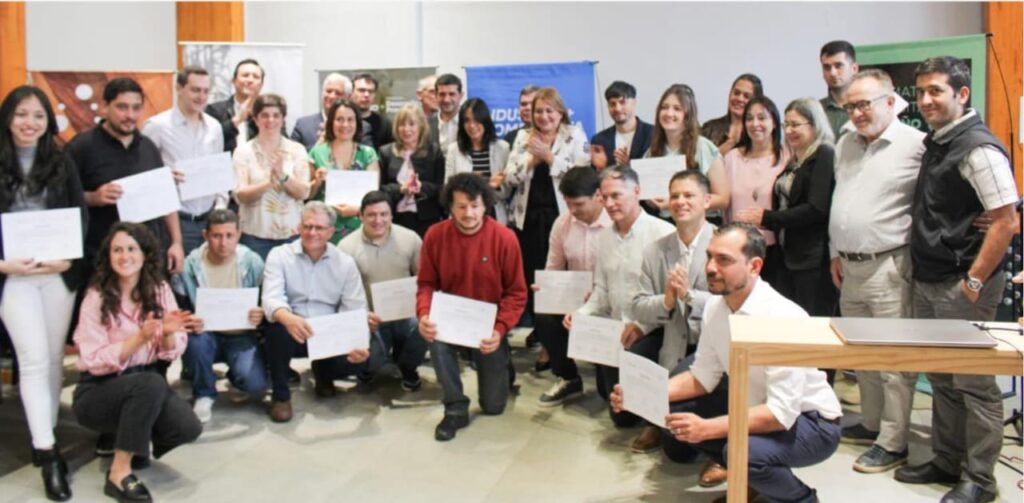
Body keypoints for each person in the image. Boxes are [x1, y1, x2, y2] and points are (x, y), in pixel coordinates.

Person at [612, 223, 842, 503]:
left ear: (754, 266)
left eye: (724, 260)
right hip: (755, 407)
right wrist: (642, 393)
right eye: (710, 256)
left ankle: (800, 499)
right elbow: (702, 376)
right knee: (671, 408)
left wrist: (707, 428)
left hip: (811, 422)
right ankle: (750, 480)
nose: (710, 267)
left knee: (744, 452)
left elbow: (781, 413)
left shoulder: (783, 317)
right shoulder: (715, 306)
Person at [895, 56, 1020, 503]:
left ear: (962, 94)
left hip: (962, 284)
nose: (925, 100)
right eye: (921, 91)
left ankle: (980, 480)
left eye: (936, 91)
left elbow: (1007, 220)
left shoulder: (977, 148)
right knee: (942, 379)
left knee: (974, 383)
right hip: (930, 278)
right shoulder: (939, 141)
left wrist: (974, 281)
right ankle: (947, 461)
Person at [828, 69, 924, 474]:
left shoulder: (915, 145)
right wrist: (835, 251)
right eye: (849, 106)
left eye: (863, 104)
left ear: (889, 101)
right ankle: (871, 424)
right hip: (848, 266)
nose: (856, 113)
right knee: (861, 354)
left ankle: (893, 442)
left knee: (893, 360)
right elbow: (842, 198)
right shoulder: (845, 144)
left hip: (889, 266)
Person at [72, 223, 202, 503]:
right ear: (108, 256)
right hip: (99, 389)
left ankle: (132, 437)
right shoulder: (96, 296)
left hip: (145, 383)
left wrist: (166, 334)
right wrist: (139, 338)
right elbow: (93, 360)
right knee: (149, 384)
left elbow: (171, 351)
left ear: (145, 254)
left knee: (188, 428)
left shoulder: (160, 289)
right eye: (117, 250)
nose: (125, 256)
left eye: (132, 249)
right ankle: (118, 473)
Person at [0, 85, 88, 502]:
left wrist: (67, 259)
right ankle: (48, 455)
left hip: (56, 274)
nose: (29, 123)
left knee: (53, 358)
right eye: (21, 114)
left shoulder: (60, 159)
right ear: (7, 118)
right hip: (12, 277)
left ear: (48, 121)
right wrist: (5, 265)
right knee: (33, 358)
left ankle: (46, 434)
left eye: (38, 115)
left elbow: (78, 214)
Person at [569, 166, 674, 452]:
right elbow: (601, 290)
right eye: (604, 197)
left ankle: (654, 422)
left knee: (636, 365)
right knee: (622, 418)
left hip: (655, 328)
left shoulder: (663, 233)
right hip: (616, 328)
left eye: (617, 195)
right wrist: (581, 315)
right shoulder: (605, 237)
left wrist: (641, 326)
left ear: (637, 192)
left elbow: (671, 298)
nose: (610, 203)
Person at [416, 173, 527, 441]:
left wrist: (500, 330)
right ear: (450, 207)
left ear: (485, 204)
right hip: (450, 319)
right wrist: (424, 314)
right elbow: (426, 284)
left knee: (493, 407)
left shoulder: (505, 238)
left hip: (488, 324)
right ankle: (455, 406)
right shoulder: (435, 235)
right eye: (461, 206)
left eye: (475, 206)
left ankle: (502, 361)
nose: (469, 213)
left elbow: (516, 293)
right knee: (435, 339)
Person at [630, 170, 722, 485]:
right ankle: (658, 422)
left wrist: (689, 296)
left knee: (686, 442)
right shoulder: (656, 250)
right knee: (677, 452)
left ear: (706, 201)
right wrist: (668, 300)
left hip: (715, 347)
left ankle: (724, 452)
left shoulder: (725, 244)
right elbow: (638, 306)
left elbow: (737, 304)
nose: (680, 202)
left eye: (689, 195)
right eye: (675, 196)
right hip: (674, 345)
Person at [261, 202, 378, 423]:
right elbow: (271, 298)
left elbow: (355, 308)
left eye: (319, 228)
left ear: (331, 232)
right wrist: (287, 317)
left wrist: (357, 341)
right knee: (276, 329)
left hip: (328, 332)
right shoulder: (279, 255)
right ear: (299, 227)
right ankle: (281, 396)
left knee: (360, 360)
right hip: (293, 327)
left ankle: (324, 373)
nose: (312, 233)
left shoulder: (345, 263)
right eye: (307, 226)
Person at [69, 77, 185, 275]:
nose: (130, 115)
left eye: (136, 108)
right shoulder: (82, 147)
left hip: (146, 257)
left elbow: (166, 201)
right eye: (122, 107)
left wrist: (176, 243)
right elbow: (61, 198)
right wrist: (93, 198)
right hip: (100, 258)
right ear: (105, 107)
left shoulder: (148, 147)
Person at [734, 97, 837, 318]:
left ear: (814, 124)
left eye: (795, 125)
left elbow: (816, 208)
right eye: (786, 124)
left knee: (811, 321)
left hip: (812, 259)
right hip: (788, 256)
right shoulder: (796, 159)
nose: (789, 131)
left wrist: (767, 218)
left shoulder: (824, 154)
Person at [173, 209, 268, 424]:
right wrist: (189, 320)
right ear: (205, 235)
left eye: (229, 236)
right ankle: (204, 392)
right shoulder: (190, 266)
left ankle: (236, 375)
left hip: (241, 335)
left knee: (255, 384)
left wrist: (261, 313)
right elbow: (180, 309)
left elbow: (268, 300)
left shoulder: (252, 262)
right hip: (205, 334)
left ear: (239, 235)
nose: (223, 243)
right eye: (216, 236)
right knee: (195, 343)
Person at [506, 87, 591, 322]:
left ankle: (566, 323)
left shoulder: (575, 134)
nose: (544, 116)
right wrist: (532, 161)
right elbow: (509, 177)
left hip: (563, 216)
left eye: (549, 111)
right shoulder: (523, 137)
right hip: (529, 220)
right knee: (533, 273)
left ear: (561, 112)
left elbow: (582, 176)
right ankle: (540, 327)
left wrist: (550, 158)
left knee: (563, 272)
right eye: (539, 111)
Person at [533, 167, 611, 406]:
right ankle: (568, 377)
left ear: (598, 196)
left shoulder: (615, 222)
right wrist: (547, 287)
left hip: (609, 302)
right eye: (568, 204)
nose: (573, 211)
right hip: (575, 298)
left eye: (579, 204)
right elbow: (553, 266)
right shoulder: (563, 223)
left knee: (607, 393)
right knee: (544, 314)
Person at [338, 191, 427, 390]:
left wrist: (421, 310)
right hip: (371, 318)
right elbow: (343, 293)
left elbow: (423, 278)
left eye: (384, 214)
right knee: (372, 360)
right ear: (360, 216)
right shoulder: (346, 247)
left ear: (391, 215)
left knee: (425, 325)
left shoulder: (410, 238)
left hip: (406, 313)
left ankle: (408, 366)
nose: (378, 220)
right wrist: (362, 316)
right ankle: (368, 366)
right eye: (371, 215)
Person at [142, 65, 226, 256]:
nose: (201, 97)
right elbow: (142, 174)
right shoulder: (157, 126)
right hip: (174, 222)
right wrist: (165, 176)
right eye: (195, 90)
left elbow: (219, 173)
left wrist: (220, 210)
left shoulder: (214, 127)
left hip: (209, 220)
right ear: (179, 88)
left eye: (205, 91)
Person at [232, 94, 311, 260]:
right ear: (255, 119)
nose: (271, 120)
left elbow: (304, 192)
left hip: (291, 235)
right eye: (265, 115)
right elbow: (240, 196)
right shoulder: (243, 152)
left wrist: (282, 176)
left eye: (276, 115)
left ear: (283, 119)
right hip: (254, 236)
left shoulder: (297, 150)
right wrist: (268, 183)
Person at [723, 96, 790, 288]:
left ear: (774, 123)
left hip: (777, 251)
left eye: (762, 118)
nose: (755, 124)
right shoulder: (732, 158)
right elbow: (724, 207)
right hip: (738, 249)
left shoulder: (787, 156)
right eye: (749, 118)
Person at [644, 84, 729, 217]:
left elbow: (723, 199)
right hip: (666, 223)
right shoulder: (652, 151)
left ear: (687, 115)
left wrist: (675, 202)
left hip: (700, 222)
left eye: (677, 109)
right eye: (664, 107)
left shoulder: (704, 147)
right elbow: (649, 196)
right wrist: (651, 199)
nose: (669, 113)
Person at [308, 99, 381, 243]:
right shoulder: (317, 153)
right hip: (323, 228)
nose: (345, 125)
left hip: (359, 228)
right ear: (331, 122)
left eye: (350, 120)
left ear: (357, 123)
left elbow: (374, 197)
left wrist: (356, 210)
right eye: (339, 119)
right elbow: (307, 195)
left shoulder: (368, 154)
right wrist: (317, 181)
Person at [379, 104, 445, 237]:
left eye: (411, 124)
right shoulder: (386, 152)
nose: (406, 129)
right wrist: (400, 189)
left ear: (421, 126)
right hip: (395, 218)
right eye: (402, 124)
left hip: (426, 219)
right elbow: (380, 188)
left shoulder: (434, 152)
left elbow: (441, 187)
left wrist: (421, 187)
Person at [444, 98, 510, 223]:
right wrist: (487, 184)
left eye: (476, 120)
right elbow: (449, 190)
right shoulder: (454, 150)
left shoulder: (503, 148)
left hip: (494, 215)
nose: (472, 125)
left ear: (485, 120)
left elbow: (506, 192)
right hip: (463, 216)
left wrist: (488, 185)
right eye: (467, 120)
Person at [589, 81, 653, 171]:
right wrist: (600, 168)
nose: (617, 109)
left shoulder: (653, 134)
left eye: (622, 102)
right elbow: (593, 175)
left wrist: (629, 167)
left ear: (634, 103)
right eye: (612, 104)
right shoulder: (599, 140)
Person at [206, 58, 264, 154]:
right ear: (233, 81)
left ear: (261, 85)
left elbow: (281, 143)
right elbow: (207, 141)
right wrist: (236, 120)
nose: (250, 80)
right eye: (245, 75)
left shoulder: (270, 113)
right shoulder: (214, 110)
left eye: (256, 77)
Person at [701, 74, 764, 156]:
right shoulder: (709, 128)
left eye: (746, 96)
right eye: (736, 93)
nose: (740, 99)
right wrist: (731, 142)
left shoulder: (758, 132)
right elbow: (699, 161)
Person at [290, 73, 352, 150]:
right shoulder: (303, 125)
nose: (332, 96)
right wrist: (317, 148)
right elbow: (292, 155)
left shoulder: (359, 127)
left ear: (348, 97)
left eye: (338, 93)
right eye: (328, 91)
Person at [819, 40, 859, 139]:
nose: (832, 73)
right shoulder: (816, 110)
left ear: (854, 69)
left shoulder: (867, 107)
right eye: (827, 67)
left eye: (838, 66)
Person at [351, 73, 393, 150]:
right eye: (361, 90)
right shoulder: (344, 122)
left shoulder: (384, 124)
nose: (366, 95)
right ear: (352, 93)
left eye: (371, 91)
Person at [429, 73, 463, 153]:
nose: (446, 100)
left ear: (461, 95)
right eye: (442, 94)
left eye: (452, 94)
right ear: (436, 96)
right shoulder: (426, 126)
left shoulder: (471, 124)